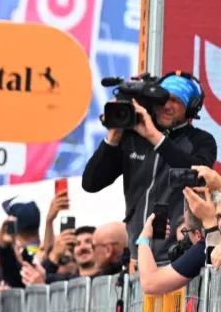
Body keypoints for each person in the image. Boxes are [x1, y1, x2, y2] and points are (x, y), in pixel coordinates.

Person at [81, 72, 218, 263]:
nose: (166, 106)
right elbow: (90, 183)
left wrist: (154, 136)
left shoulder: (201, 140)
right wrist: (114, 134)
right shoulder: (133, 138)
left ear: (191, 108)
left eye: (175, 101)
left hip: (180, 259)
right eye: (162, 99)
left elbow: (197, 175)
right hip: (140, 260)